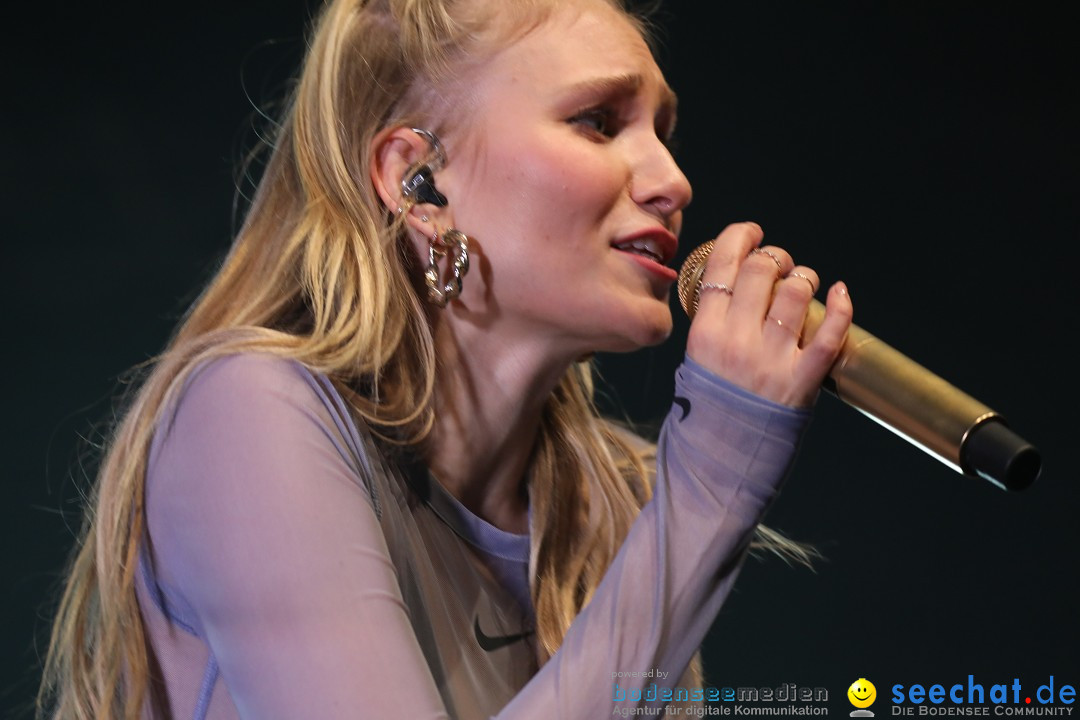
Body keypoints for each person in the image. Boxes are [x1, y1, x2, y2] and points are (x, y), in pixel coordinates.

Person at [38, 0, 853, 718]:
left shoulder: (607, 508)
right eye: (599, 121)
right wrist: (714, 474)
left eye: (664, 134)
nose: (673, 180)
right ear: (418, 179)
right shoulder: (249, 417)